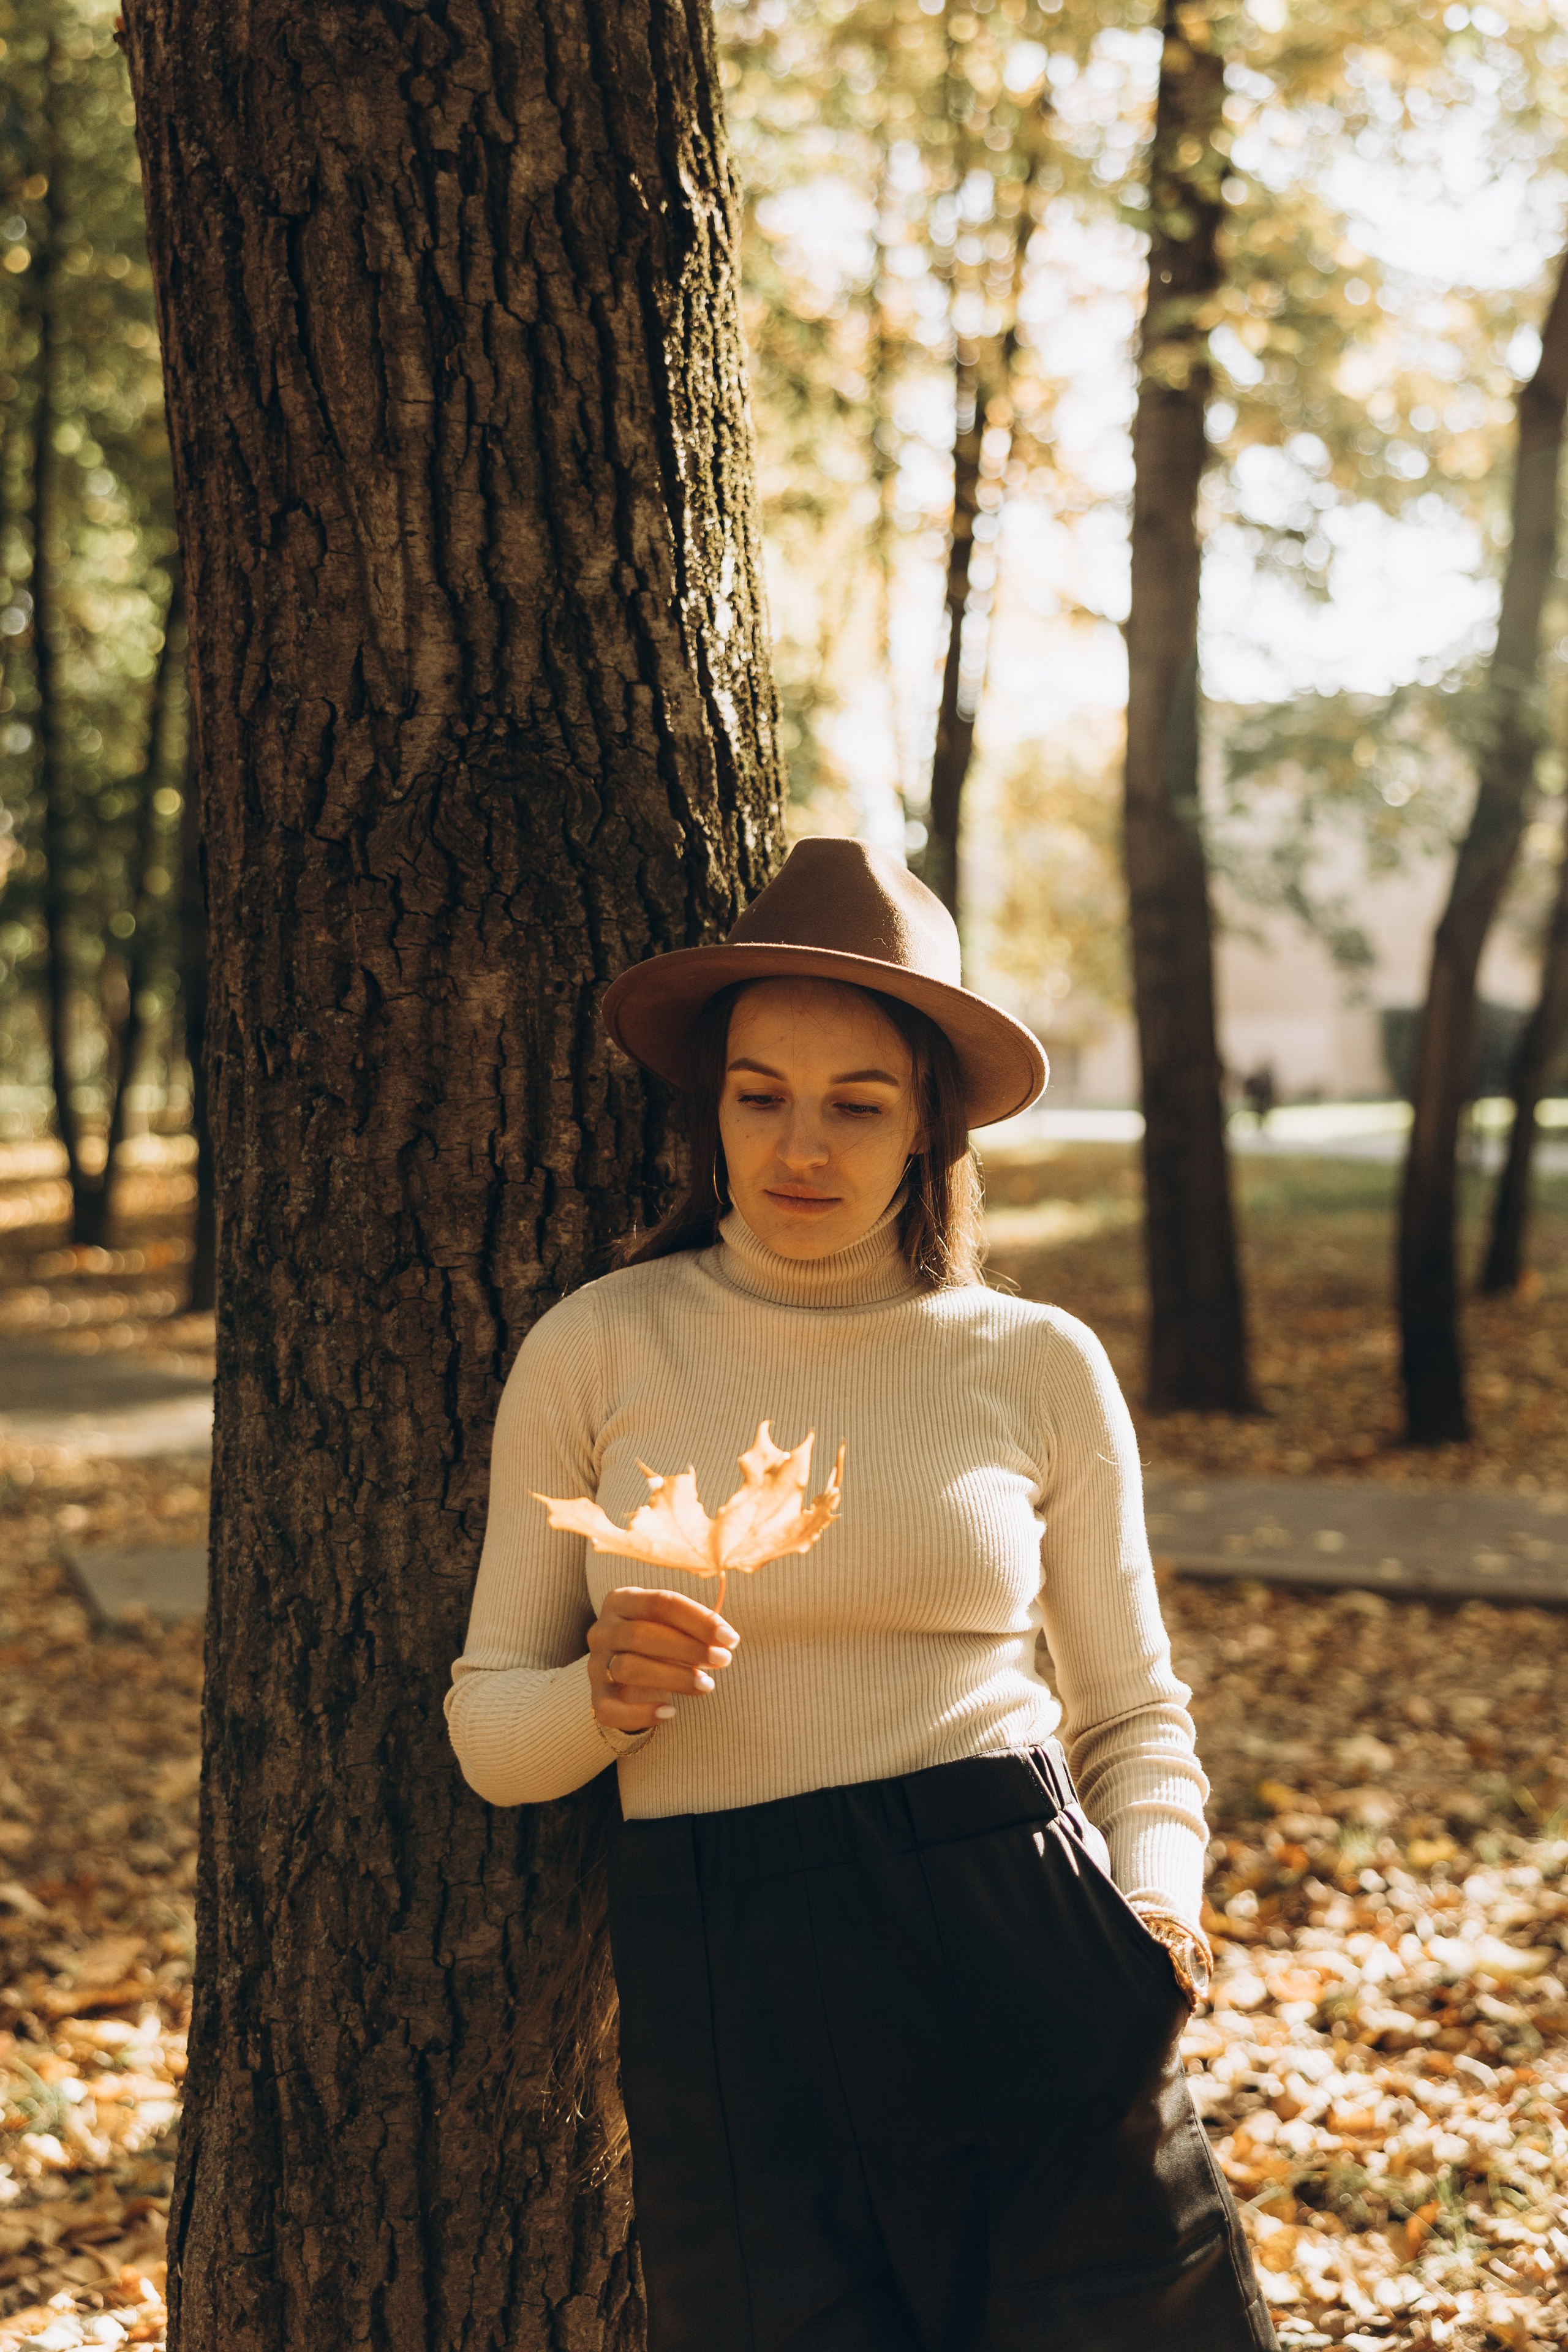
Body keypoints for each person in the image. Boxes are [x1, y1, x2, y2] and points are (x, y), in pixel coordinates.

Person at [446, 839, 1275, 2352]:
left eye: (856, 1104)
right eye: (759, 1095)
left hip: (1020, 1932)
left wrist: (1152, 1910)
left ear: (928, 1127)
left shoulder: (1032, 1362)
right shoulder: (596, 1346)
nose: (798, 1148)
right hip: (726, 1978)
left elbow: (1134, 1711)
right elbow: (493, 1728)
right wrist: (595, 1699)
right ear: (712, 1108)